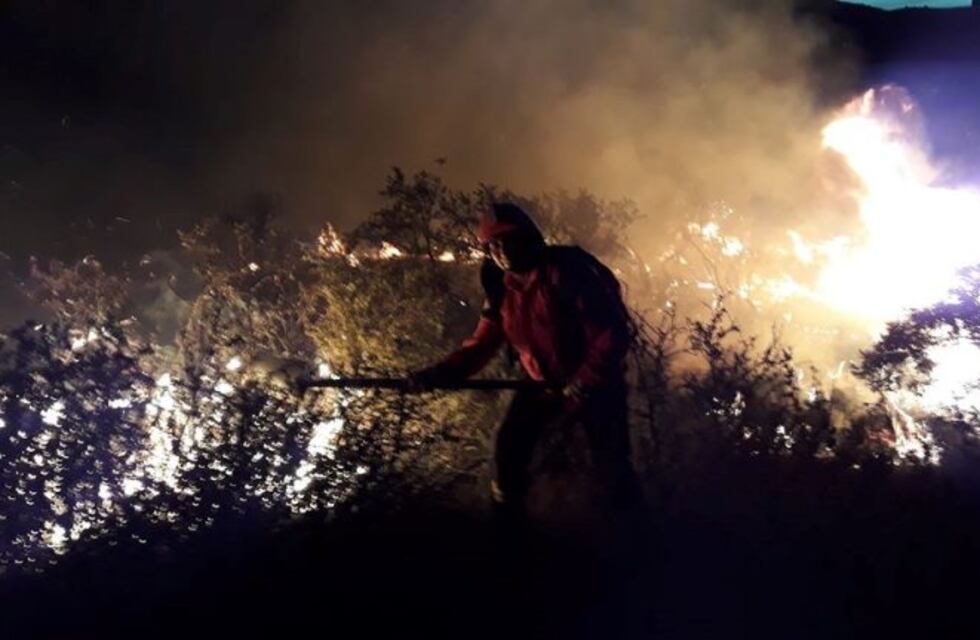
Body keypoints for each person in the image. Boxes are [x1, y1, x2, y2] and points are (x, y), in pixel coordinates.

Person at [410, 202, 641, 521]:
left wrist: (584, 381)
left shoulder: (565, 273)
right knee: (507, 451)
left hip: (594, 385)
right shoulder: (501, 288)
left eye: (507, 240)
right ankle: (510, 534)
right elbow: (482, 344)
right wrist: (440, 373)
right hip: (540, 384)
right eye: (492, 245)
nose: (500, 251)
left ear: (528, 238)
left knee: (612, 466)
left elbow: (609, 333)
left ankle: (632, 537)